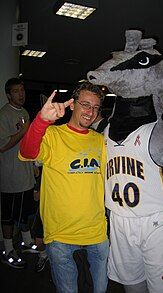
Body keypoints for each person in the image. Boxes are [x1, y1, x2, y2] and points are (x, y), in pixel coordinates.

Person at [19, 82, 109, 293]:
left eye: (96, 107)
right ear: (72, 105)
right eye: (85, 105)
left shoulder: (101, 141)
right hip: (61, 235)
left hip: (97, 233)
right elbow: (28, 153)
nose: (90, 112)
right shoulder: (53, 135)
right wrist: (41, 121)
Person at [0, 78, 38, 269]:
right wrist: (22, 132)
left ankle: (26, 241)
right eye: (16, 91)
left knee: (25, 212)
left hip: (25, 175)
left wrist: (33, 165)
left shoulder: (24, 112)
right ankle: (7, 250)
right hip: (10, 177)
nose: (21, 94)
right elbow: (2, 145)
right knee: (8, 216)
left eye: (22, 90)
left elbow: (27, 143)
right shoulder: (4, 115)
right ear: (8, 95)